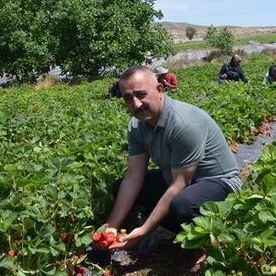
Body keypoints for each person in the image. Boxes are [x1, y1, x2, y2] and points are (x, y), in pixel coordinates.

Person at [104, 66, 242, 255]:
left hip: (218, 182)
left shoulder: (184, 124)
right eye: (128, 98)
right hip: (177, 177)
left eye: (141, 94)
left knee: (182, 205)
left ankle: (209, 239)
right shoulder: (137, 125)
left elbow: (179, 184)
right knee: (121, 187)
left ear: (159, 90)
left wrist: (144, 230)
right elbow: (134, 176)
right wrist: (111, 227)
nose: (136, 104)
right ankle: (170, 226)